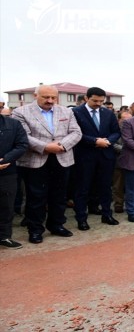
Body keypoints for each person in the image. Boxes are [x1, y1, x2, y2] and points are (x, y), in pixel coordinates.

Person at [13, 85, 82, 244]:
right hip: (35, 159)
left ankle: (56, 225)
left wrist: (62, 146)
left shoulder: (67, 111)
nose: (50, 101)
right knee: (36, 197)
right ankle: (35, 229)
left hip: (62, 158)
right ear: (35, 95)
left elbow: (76, 132)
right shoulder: (20, 112)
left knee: (59, 195)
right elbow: (24, 136)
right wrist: (45, 147)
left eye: (53, 97)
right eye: (46, 97)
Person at [71, 87, 121, 230]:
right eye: (95, 100)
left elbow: (116, 131)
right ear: (86, 98)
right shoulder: (75, 113)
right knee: (83, 188)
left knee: (105, 187)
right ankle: (81, 218)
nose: (98, 103)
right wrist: (94, 141)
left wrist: (108, 141)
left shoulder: (108, 113)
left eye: (101, 101)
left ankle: (107, 214)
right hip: (84, 156)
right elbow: (75, 133)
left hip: (105, 155)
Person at [0, 111, 29, 249]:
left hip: (7, 171)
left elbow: (22, 144)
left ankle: (4, 236)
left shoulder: (13, 124)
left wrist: (5, 160)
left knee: (6, 205)